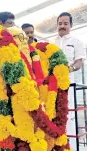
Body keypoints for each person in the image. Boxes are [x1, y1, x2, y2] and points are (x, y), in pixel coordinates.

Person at [54, 12, 86, 151]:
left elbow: (79, 62)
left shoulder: (76, 42)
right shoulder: (51, 43)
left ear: (71, 25)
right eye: (60, 23)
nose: (62, 26)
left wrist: (68, 69)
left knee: (69, 114)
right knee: (54, 114)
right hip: (52, 86)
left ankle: (71, 148)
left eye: (65, 23)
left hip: (69, 85)